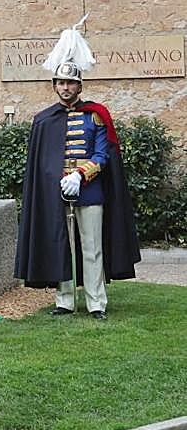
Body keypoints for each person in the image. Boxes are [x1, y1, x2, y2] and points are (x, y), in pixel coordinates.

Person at [14, 61, 140, 318]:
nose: (66, 87)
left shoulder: (96, 115)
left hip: (90, 191)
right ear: (54, 86)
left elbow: (103, 154)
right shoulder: (43, 120)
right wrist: (57, 180)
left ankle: (96, 303)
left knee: (92, 247)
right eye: (61, 82)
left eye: (71, 82)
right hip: (56, 192)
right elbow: (42, 162)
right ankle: (65, 300)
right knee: (62, 245)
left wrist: (80, 175)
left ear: (80, 85)